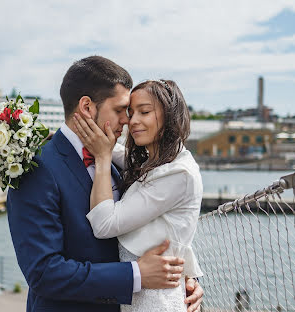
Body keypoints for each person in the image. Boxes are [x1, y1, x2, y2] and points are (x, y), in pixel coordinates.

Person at [7, 57, 203, 312]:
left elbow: (157, 224)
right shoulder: (36, 169)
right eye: (121, 110)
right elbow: (44, 273)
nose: (128, 120)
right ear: (87, 107)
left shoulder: (114, 159)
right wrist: (136, 275)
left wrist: (187, 278)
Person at [73, 79, 203, 312]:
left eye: (144, 112)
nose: (132, 122)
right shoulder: (156, 161)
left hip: (155, 301)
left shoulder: (178, 173)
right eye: (130, 113)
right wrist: (74, 135)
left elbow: (104, 225)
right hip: (140, 294)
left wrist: (102, 159)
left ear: (171, 116)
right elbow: (124, 155)